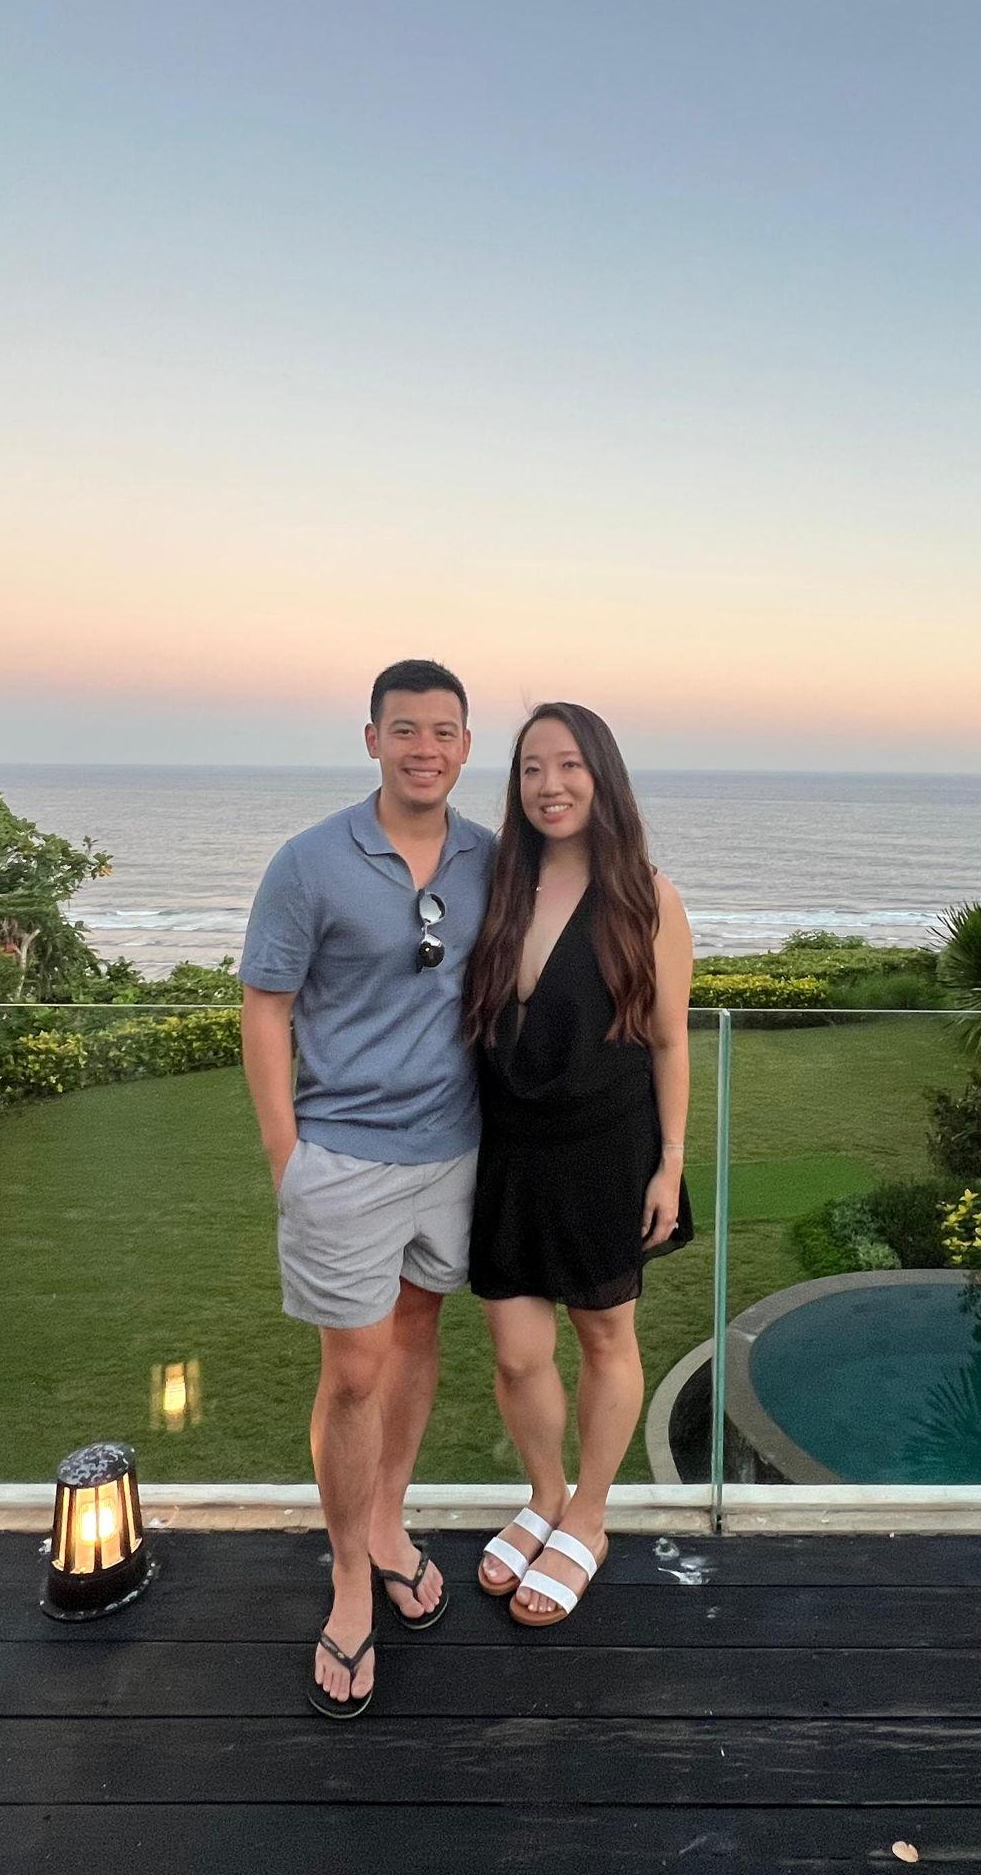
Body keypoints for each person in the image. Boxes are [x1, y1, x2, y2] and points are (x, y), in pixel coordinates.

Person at [239, 659, 494, 1718]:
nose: (423, 748)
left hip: (456, 1151)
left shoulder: (490, 858)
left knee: (417, 1335)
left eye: (443, 731)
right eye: (405, 729)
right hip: (342, 1156)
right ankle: (350, 1573)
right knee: (352, 1371)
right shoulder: (310, 861)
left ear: (465, 745)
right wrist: (286, 1156)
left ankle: (388, 1519)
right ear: (372, 738)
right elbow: (264, 1005)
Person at [463, 701, 694, 1627]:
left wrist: (670, 1163)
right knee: (517, 1354)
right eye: (530, 768)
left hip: (607, 1149)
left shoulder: (645, 896)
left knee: (604, 1338)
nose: (548, 785)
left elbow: (669, 1040)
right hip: (508, 1149)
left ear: (601, 776)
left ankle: (589, 1518)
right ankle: (545, 1496)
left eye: (567, 765)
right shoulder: (497, 885)